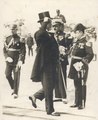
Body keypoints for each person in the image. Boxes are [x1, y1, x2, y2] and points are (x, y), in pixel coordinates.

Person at [29, 11, 60, 116]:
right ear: (45, 23)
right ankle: (50, 110)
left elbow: (53, 49)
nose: (51, 23)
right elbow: (38, 36)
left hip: (51, 64)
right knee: (49, 86)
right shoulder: (39, 33)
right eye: (49, 21)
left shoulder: (49, 34)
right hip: (44, 65)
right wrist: (44, 23)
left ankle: (35, 96)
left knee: (50, 85)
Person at [68, 23, 94, 109]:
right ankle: (76, 102)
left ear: (80, 32)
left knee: (82, 84)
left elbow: (90, 54)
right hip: (74, 65)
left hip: (81, 65)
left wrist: (82, 63)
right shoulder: (76, 42)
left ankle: (81, 104)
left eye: (76, 32)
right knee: (76, 83)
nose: (75, 34)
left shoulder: (86, 42)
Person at [52, 19, 73, 104]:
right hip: (54, 59)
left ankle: (64, 96)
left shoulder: (66, 36)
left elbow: (70, 47)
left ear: (61, 26)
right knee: (55, 77)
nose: (55, 28)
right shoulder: (52, 36)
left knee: (62, 76)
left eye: (56, 26)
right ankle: (58, 96)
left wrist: (65, 53)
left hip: (62, 59)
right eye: (54, 26)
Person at [3, 24, 26, 98]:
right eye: (11, 29)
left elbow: (23, 50)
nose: (12, 31)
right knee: (7, 75)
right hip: (9, 60)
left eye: (14, 29)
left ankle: (15, 92)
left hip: (17, 60)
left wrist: (21, 60)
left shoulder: (20, 39)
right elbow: (4, 50)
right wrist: (6, 57)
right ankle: (13, 87)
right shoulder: (7, 39)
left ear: (16, 30)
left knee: (16, 76)